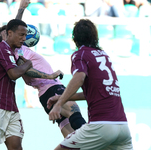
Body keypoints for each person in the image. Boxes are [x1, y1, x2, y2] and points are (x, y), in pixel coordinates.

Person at [0, 0, 87, 138]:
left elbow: (15, 25)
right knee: (74, 113)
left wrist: (21, 9)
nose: (20, 35)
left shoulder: (15, 48)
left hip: (45, 93)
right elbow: (26, 70)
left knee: (68, 131)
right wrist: (50, 76)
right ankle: (95, 142)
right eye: (6, 32)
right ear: (5, 36)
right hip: (51, 88)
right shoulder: (13, 53)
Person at [48, 19, 133, 150]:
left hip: (101, 126)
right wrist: (61, 98)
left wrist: (59, 105)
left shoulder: (80, 54)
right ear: (95, 36)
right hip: (122, 127)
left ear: (74, 38)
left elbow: (79, 77)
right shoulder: (104, 56)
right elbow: (94, 92)